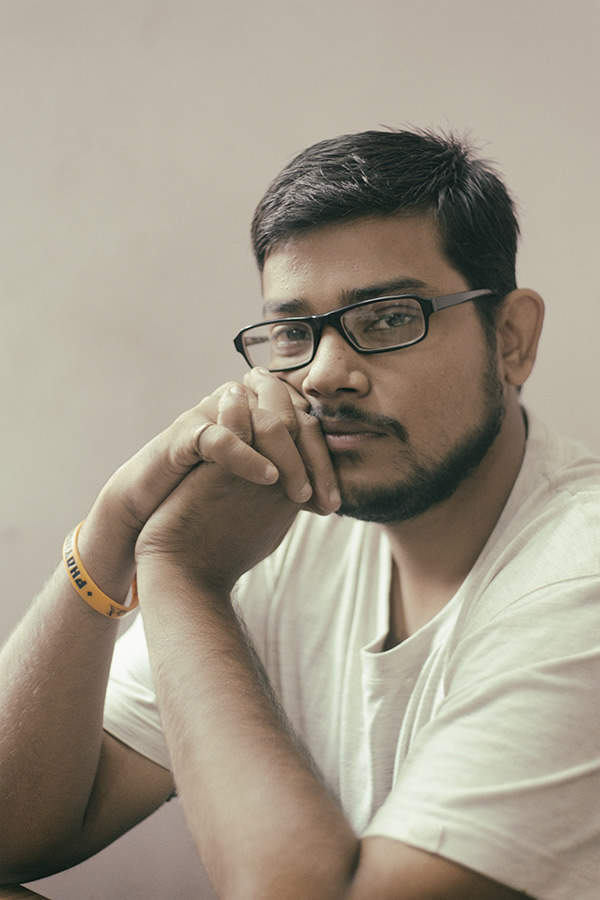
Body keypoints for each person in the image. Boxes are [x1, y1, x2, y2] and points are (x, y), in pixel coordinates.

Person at [0, 128, 598, 900]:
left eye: (386, 318)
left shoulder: (578, 573)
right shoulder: (279, 526)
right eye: (293, 333)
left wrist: (182, 573)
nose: (324, 374)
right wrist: (115, 526)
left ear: (511, 339)